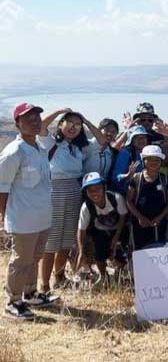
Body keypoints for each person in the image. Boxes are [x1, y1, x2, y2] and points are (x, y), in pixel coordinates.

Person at [37, 109, 107, 292]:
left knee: (67, 240)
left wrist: (87, 120)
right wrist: (60, 111)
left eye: (78, 124)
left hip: (74, 191)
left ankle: (59, 277)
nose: (73, 127)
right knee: (51, 242)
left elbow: (102, 141)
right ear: (61, 125)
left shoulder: (80, 148)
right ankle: (44, 285)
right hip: (55, 191)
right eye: (69, 122)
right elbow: (41, 125)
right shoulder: (50, 143)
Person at [1, 103, 56, 319]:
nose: (34, 121)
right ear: (17, 124)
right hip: (23, 219)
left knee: (35, 257)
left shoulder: (40, 149)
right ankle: (14, 301)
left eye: (37, 118)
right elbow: (2, 187)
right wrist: (3, 216)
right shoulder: (13, 152)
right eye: (28, 118)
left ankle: (31, 293)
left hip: (42, 216)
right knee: (21, 260)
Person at [76, 172, 127, 280]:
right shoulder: (86, 207)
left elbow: (123, 219)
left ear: (104, 187)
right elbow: (81, 230)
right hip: (99, 231)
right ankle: (104, 277)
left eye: (98, 189)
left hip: (118, 229)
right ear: (86, 192)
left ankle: (121, 274)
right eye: (90, 191)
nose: (94, 193)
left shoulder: (116, 198)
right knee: (99, 255)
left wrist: (115, 239)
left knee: (121, 255)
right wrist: (81, 251)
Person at [126, 145, 168, 250]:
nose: (154, 162)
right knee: (139, 253)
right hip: (138, 225)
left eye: (157, 159)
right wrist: (140, 217)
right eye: (150, 159)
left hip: (160, 225)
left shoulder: (165, 179)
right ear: (144, 161)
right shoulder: (136, 179)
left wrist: (160, 217)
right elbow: (129, 201)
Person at [111, 125, 149, 195]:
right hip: (125, 193)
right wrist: (128, 175)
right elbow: (116, 177)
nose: (141, 140)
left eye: (143, 137)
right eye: (137, 138)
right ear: (131, 140)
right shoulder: (125, 154)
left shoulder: (149, 154)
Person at [82, 118, 120, 182]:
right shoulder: (87, 145)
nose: (109, 133)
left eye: (113, 132)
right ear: (99, 130)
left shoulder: (111, 152)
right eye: (107, 130)